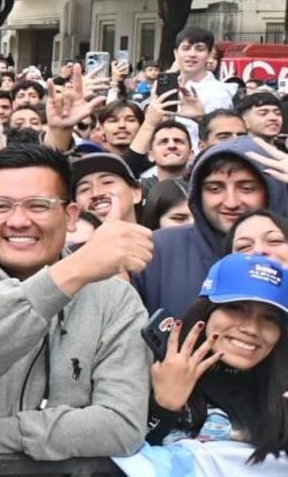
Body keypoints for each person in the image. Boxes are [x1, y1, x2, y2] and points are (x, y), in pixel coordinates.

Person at [0, 143, 152, 460]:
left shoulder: (114, 298)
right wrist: (70, 274)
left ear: (71, 215)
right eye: (1, 207)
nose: (18, 221)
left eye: (38, 206)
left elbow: (121, 426)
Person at [144, 252, 288, 457]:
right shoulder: (154, 365)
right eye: (236, 308)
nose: (252, 328)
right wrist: (164, 406)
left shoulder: (280, 391)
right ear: (206, 311)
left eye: (270, 318)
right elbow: (123, 464)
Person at [133, 138, 288, 321]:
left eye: (246, 188)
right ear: (198, 194)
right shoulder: (157, 249)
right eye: (215, 189)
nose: (231, 202)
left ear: (273, 190)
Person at [172, 26, 237, 114]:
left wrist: (200, 118)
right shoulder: (167, 87)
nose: (192, 54)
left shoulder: (220, 93)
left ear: (210, 55)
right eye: (186, 48)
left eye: (200, 49)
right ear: (176, 54)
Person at [71, 152, 140, 225]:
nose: (96, 193)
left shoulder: (153, 236)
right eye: (84, 189)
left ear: (135, 193)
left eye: (107, 182)